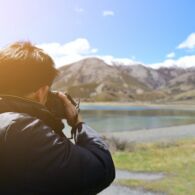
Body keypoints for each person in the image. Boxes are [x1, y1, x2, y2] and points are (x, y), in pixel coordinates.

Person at [0, 41, 115, 194]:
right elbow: (101, 170)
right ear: (41, 92)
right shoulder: (21, 128)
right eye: (49, 95)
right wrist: (77, 123)